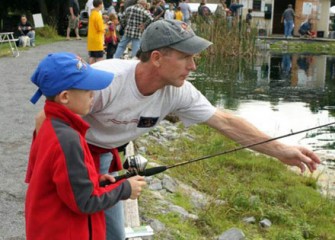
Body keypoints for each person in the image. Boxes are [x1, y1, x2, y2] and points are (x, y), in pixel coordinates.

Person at [36, 19, 321, 240]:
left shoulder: (179, 92)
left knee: (113, 234)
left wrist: (282, 151)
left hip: (108, 159)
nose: (193, 66)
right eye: (187, 57)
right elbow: (49, 118)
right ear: (158, 58)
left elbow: (225, 121)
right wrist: (39, 171)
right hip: (76, 156)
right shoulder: (108, 80)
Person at [26, 52, 146, 240]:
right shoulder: (67, 138)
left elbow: (61, 178)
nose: (93, 95)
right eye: (88, 90)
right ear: (65, 97)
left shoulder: (54, 126)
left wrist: (94, 179)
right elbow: (85, 201)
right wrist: (125, 189)